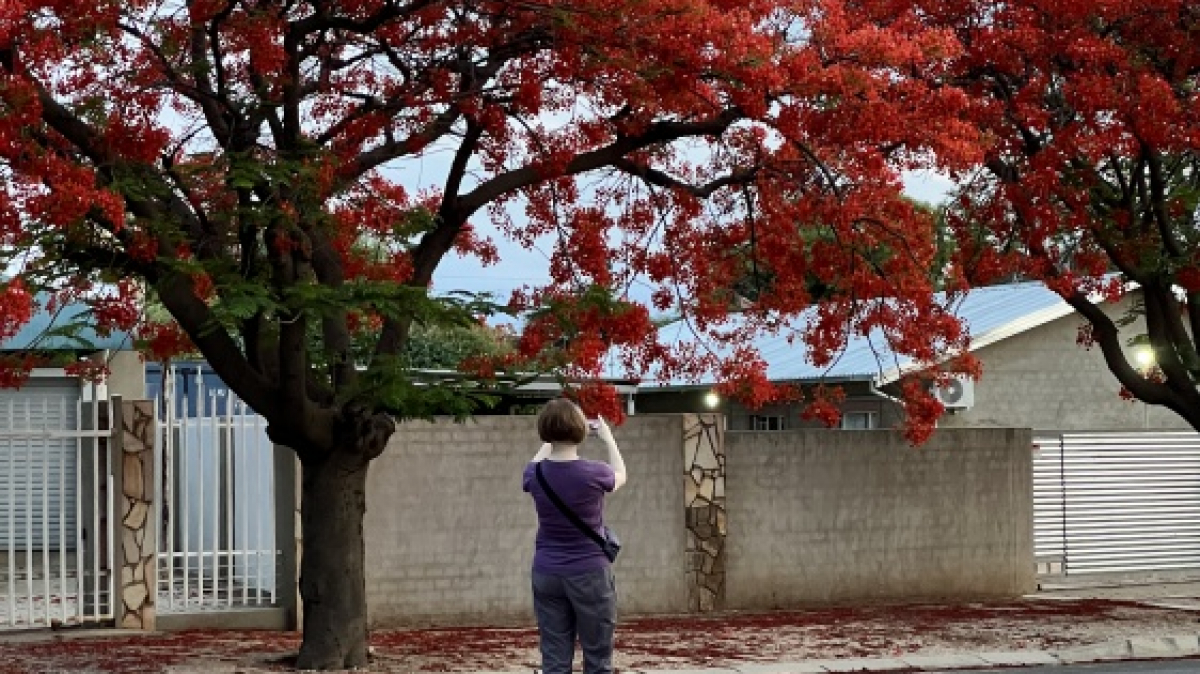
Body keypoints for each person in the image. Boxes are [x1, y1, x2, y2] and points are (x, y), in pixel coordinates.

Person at [523, 398, 628, 674]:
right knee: (597, 657)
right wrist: (608, 439)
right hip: (590, 572)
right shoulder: (595, 473)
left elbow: (535, 462)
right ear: (581, 430)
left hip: (546, 572)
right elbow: (621, 475)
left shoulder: (535, 474)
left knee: (554, 659)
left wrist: (551, 438)